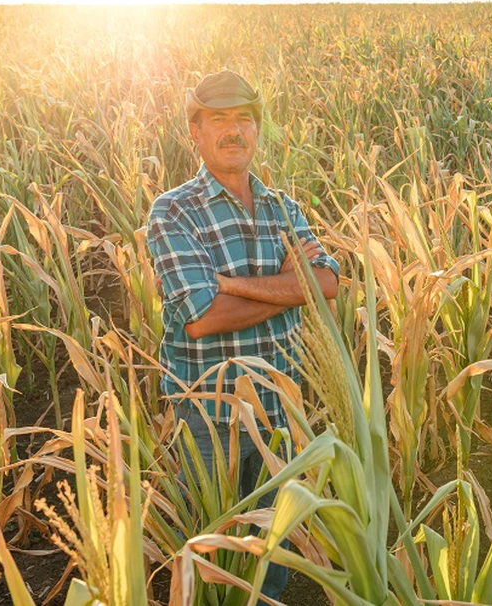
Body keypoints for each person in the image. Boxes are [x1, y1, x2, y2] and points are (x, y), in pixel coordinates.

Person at [146, 69, 340, 600]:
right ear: (195, 131)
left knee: (270, 551)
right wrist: (285, 284)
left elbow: (326, 282)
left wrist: (234, 286)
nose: (234, 131)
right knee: (212, 557)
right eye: (219, 120)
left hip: (281, 409)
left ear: (258, 129)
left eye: (244, 120)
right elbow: (202, 317)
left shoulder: (282, 206)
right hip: (212, 415)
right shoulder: (173, 211)